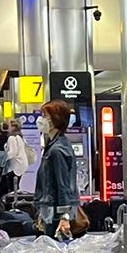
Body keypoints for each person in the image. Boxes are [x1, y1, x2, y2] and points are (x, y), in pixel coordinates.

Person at [34, 100, 82, 238]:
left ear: (56, 120)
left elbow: (63, 185)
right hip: (51, 210)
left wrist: (64, 216)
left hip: (55, 212)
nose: (41, 119)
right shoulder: (55, 145)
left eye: (45, 116)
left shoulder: (57, 150)